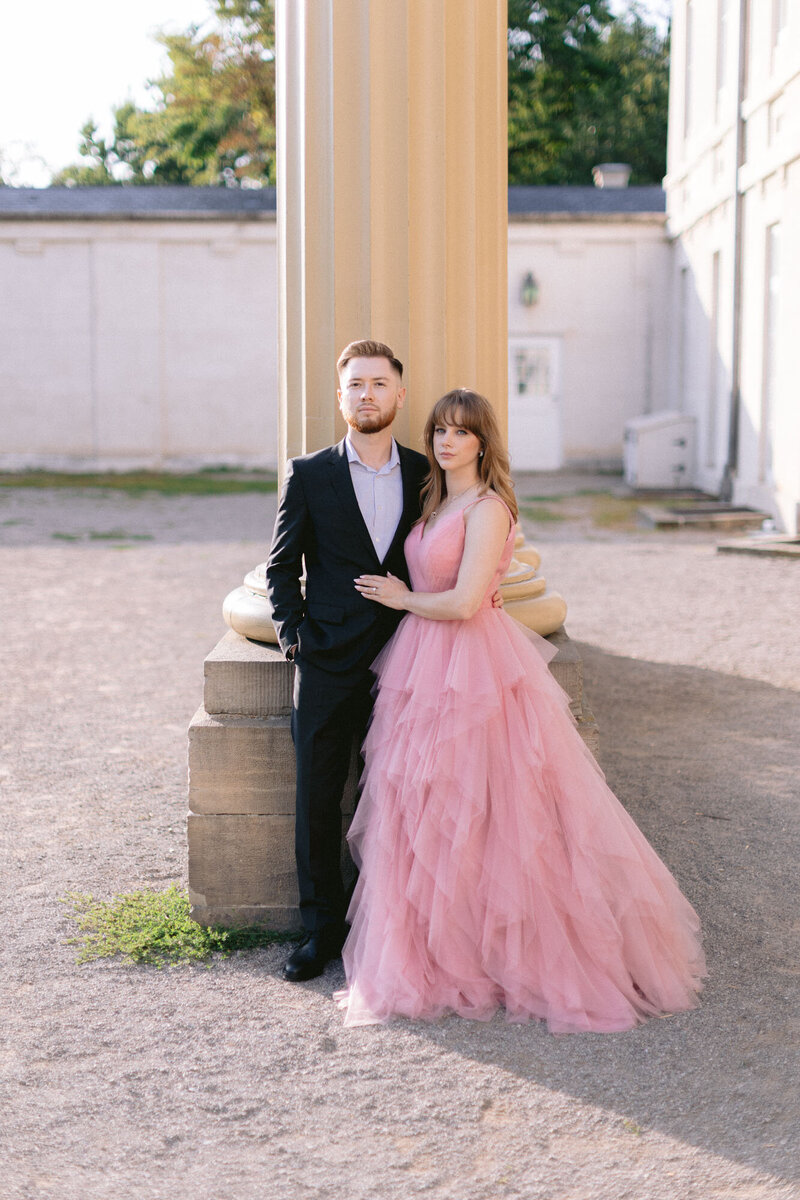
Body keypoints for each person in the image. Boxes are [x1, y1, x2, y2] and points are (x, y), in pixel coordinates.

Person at [337, 388, 706, 1033]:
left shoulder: (487, 509)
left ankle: (515, 955)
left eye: (461, 431)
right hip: (422, 666)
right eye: (439, 431)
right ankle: (446, 951)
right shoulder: (435, 500)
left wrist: (399, 597)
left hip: (473, 663)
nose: (447, 442)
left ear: (483, 441)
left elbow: (463, 603)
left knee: (494, 809)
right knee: (429, 806)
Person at [266, 340, 429, 982]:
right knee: (318, 797)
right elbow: (281, 568)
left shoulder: (425, 474)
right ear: (340, 398)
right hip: (328, 663)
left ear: (399, 394)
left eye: (378, 384)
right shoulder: (308, 474)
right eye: (355, 385)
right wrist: (296, 639)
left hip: (407, 659)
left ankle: (390, 929)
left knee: (398, 797)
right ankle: (321, 933)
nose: (367, 394)